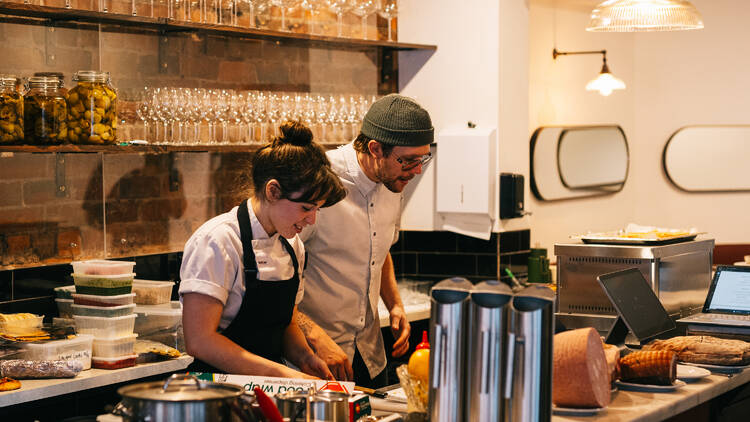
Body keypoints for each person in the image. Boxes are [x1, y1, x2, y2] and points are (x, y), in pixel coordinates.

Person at [179, 121, 347, 379]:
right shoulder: (218, 241)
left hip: (268, 389)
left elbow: (286, 322)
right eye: (306, 208)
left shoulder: (293, 246)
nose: (312, 220)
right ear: (273, 190)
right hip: (215, 392)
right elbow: (200, 341)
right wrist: (282, 375)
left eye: (317, 210)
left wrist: (305, 357)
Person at [297, 94, 434, 387]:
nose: (417, 170)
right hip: (317, 359)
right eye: (408, 161)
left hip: (370, 355)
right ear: (375, 148)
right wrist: (313, 335)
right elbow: (278, 272)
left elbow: (378, 250)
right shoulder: (320, 180)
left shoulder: (393, 181)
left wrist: (395, 304)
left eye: (422, 158)